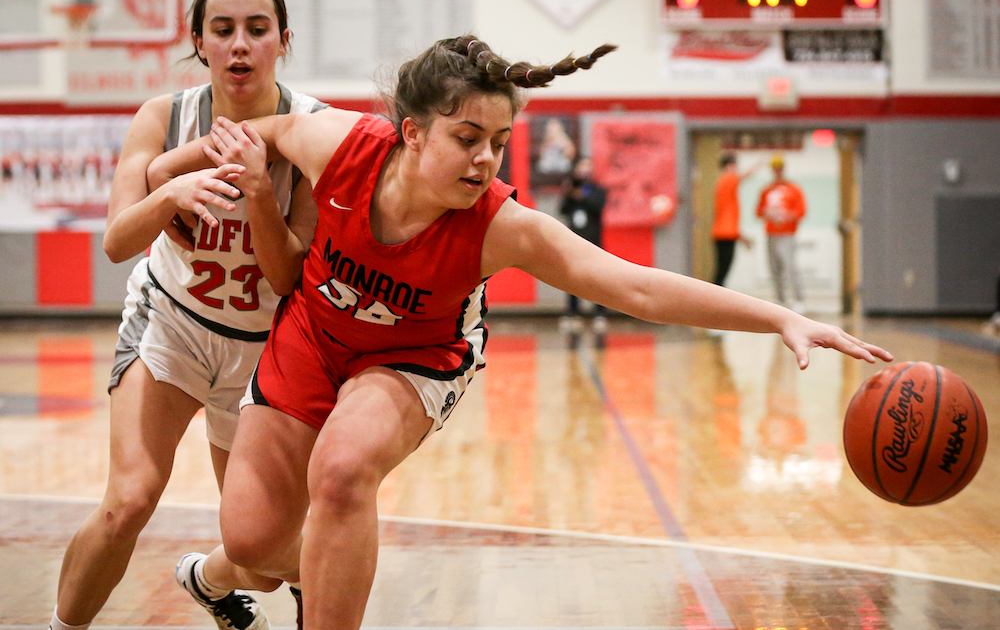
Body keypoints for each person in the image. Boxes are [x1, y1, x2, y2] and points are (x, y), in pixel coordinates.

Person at [146, 35, 893, 629]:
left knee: (342, 475)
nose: (485, 158)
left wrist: (780, 316)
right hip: (311, 330)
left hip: (414, 356)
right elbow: (253, 131)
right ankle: (219, 576)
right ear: (410, 131)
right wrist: (165, 176)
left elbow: (635, 285)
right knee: (251, 543)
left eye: (498, 141)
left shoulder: (502, 227)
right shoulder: (336, 144)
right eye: (468, 136)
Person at [49, 0, 324, 630]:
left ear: (282, 40)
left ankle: (207, 580)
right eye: (222, 29)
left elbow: (289, 275)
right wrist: (168, 192)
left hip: (262, 351)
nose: (239, 45)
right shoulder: (164, 116)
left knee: (260, 556)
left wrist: (260, 191)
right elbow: (117, 240)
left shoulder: (311, 127)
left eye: (256, 30)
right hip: (171, 325)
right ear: (197, 40)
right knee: (128, 502)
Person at [559, 155, 608, 330]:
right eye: (582, 166)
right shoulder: (571, 188)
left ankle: (600, 314)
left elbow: (598, 206)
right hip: (573, 240)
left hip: (594, 241)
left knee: (599, 279)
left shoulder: (597, 189)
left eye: (588, 166)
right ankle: (573, 312)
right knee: (572, 278)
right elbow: (563, 209)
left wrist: (583, 196)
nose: (585, 170)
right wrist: (570, 193)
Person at [756, 154, 807, 311]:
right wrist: (768, 214)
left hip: (787, 234)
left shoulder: (794, 189)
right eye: (775, 168)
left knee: (790, 267)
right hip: (771, 234)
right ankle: (780, 299)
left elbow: (801, 211)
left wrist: (787, 216)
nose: (777, 171)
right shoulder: (766, 190)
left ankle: (799, 299)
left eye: (780, 168)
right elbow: (759, 211)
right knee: (774, 268)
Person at [711, 153, 763, 287]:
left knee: (723, 270)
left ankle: (716, 297)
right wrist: (759, 164)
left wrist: (742, 237)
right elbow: (743, 176)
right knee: (722, 271)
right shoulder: (727, 179)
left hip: (725, 233)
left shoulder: (723, 183)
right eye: (735, 165)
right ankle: (714, 299)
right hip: (725, 234)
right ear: (729, 166)